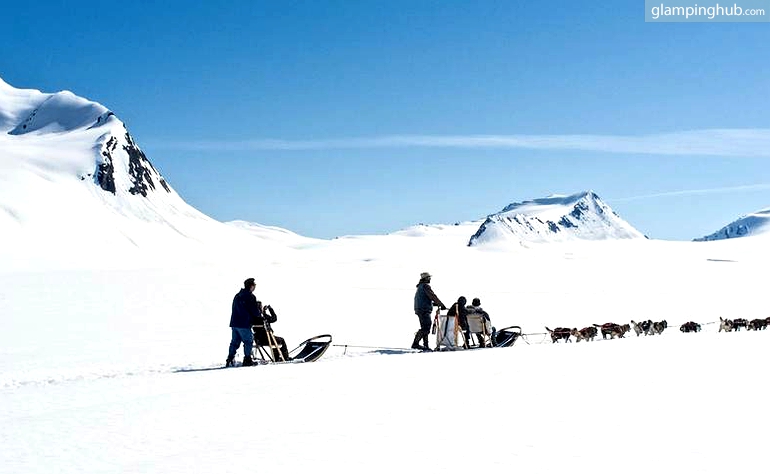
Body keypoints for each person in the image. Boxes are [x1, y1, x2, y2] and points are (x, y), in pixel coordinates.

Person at [226, 277, 262, 367]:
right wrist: (259, 310)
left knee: (234, 342)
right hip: (244, 323)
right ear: (251, 286)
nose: (255, 287)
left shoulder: (237, 295)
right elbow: (255, 312)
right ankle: (247, 359)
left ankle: (230, 358)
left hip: (234, 323)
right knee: (248, 341)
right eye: (254, 285)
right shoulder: (250, 297)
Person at [413, 272, 446, 351]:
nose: (430, 279)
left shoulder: (420, 287)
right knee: (426, 327)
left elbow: (425, 298)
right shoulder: (425, 286)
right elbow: (432, 296)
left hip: (420, 309)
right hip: (424, 310)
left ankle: (426, 346)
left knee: (424, 327)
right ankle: (415, 343)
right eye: (429, 277)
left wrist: (432, 304)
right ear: (425, 278)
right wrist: (441, 305)